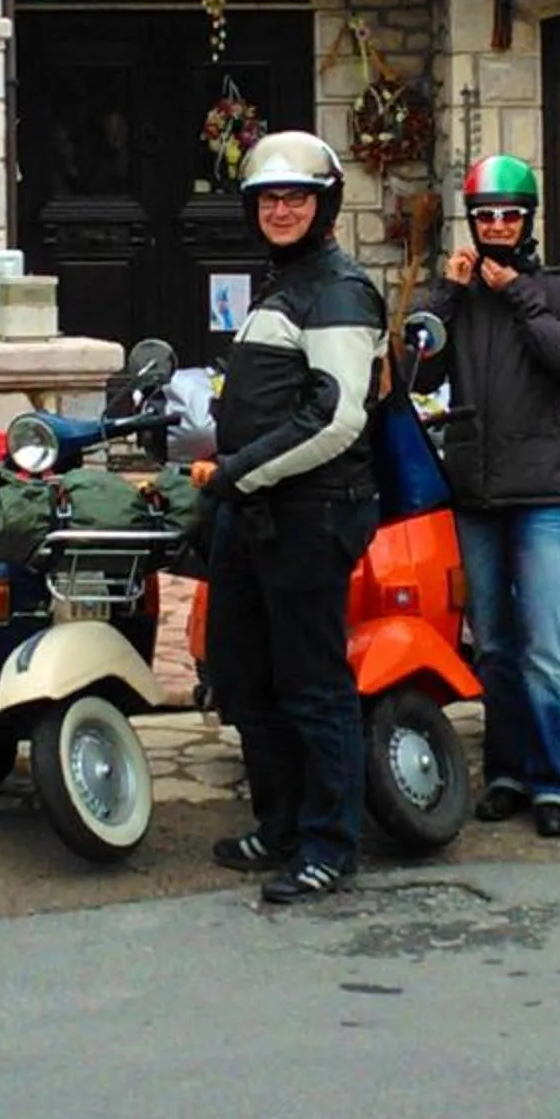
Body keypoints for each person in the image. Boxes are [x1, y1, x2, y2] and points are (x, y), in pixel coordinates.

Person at [202, 130, 385, 904]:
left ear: (325, 206)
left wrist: (237, 474)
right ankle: (279, 827)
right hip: (257, 514)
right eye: (268, 199)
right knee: (244, 676)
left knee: (313, 684)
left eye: (296, 198)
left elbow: (336, 419)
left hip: (311, 513)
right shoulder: (284, 283)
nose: (280, 210)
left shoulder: (337, 291)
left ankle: (328, 843)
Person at [435, 154, 560, 839]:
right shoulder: (463, 292)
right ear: (471, 222)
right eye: (485, 217)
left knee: (543, 642)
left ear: (528, 220)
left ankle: (553, 781)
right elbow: (419, 359)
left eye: (509, 215)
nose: (497, 227)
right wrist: (442, 297)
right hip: (474, 488)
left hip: (542, 493)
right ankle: (505, 771)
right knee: (495, 644)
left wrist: (518, 295)